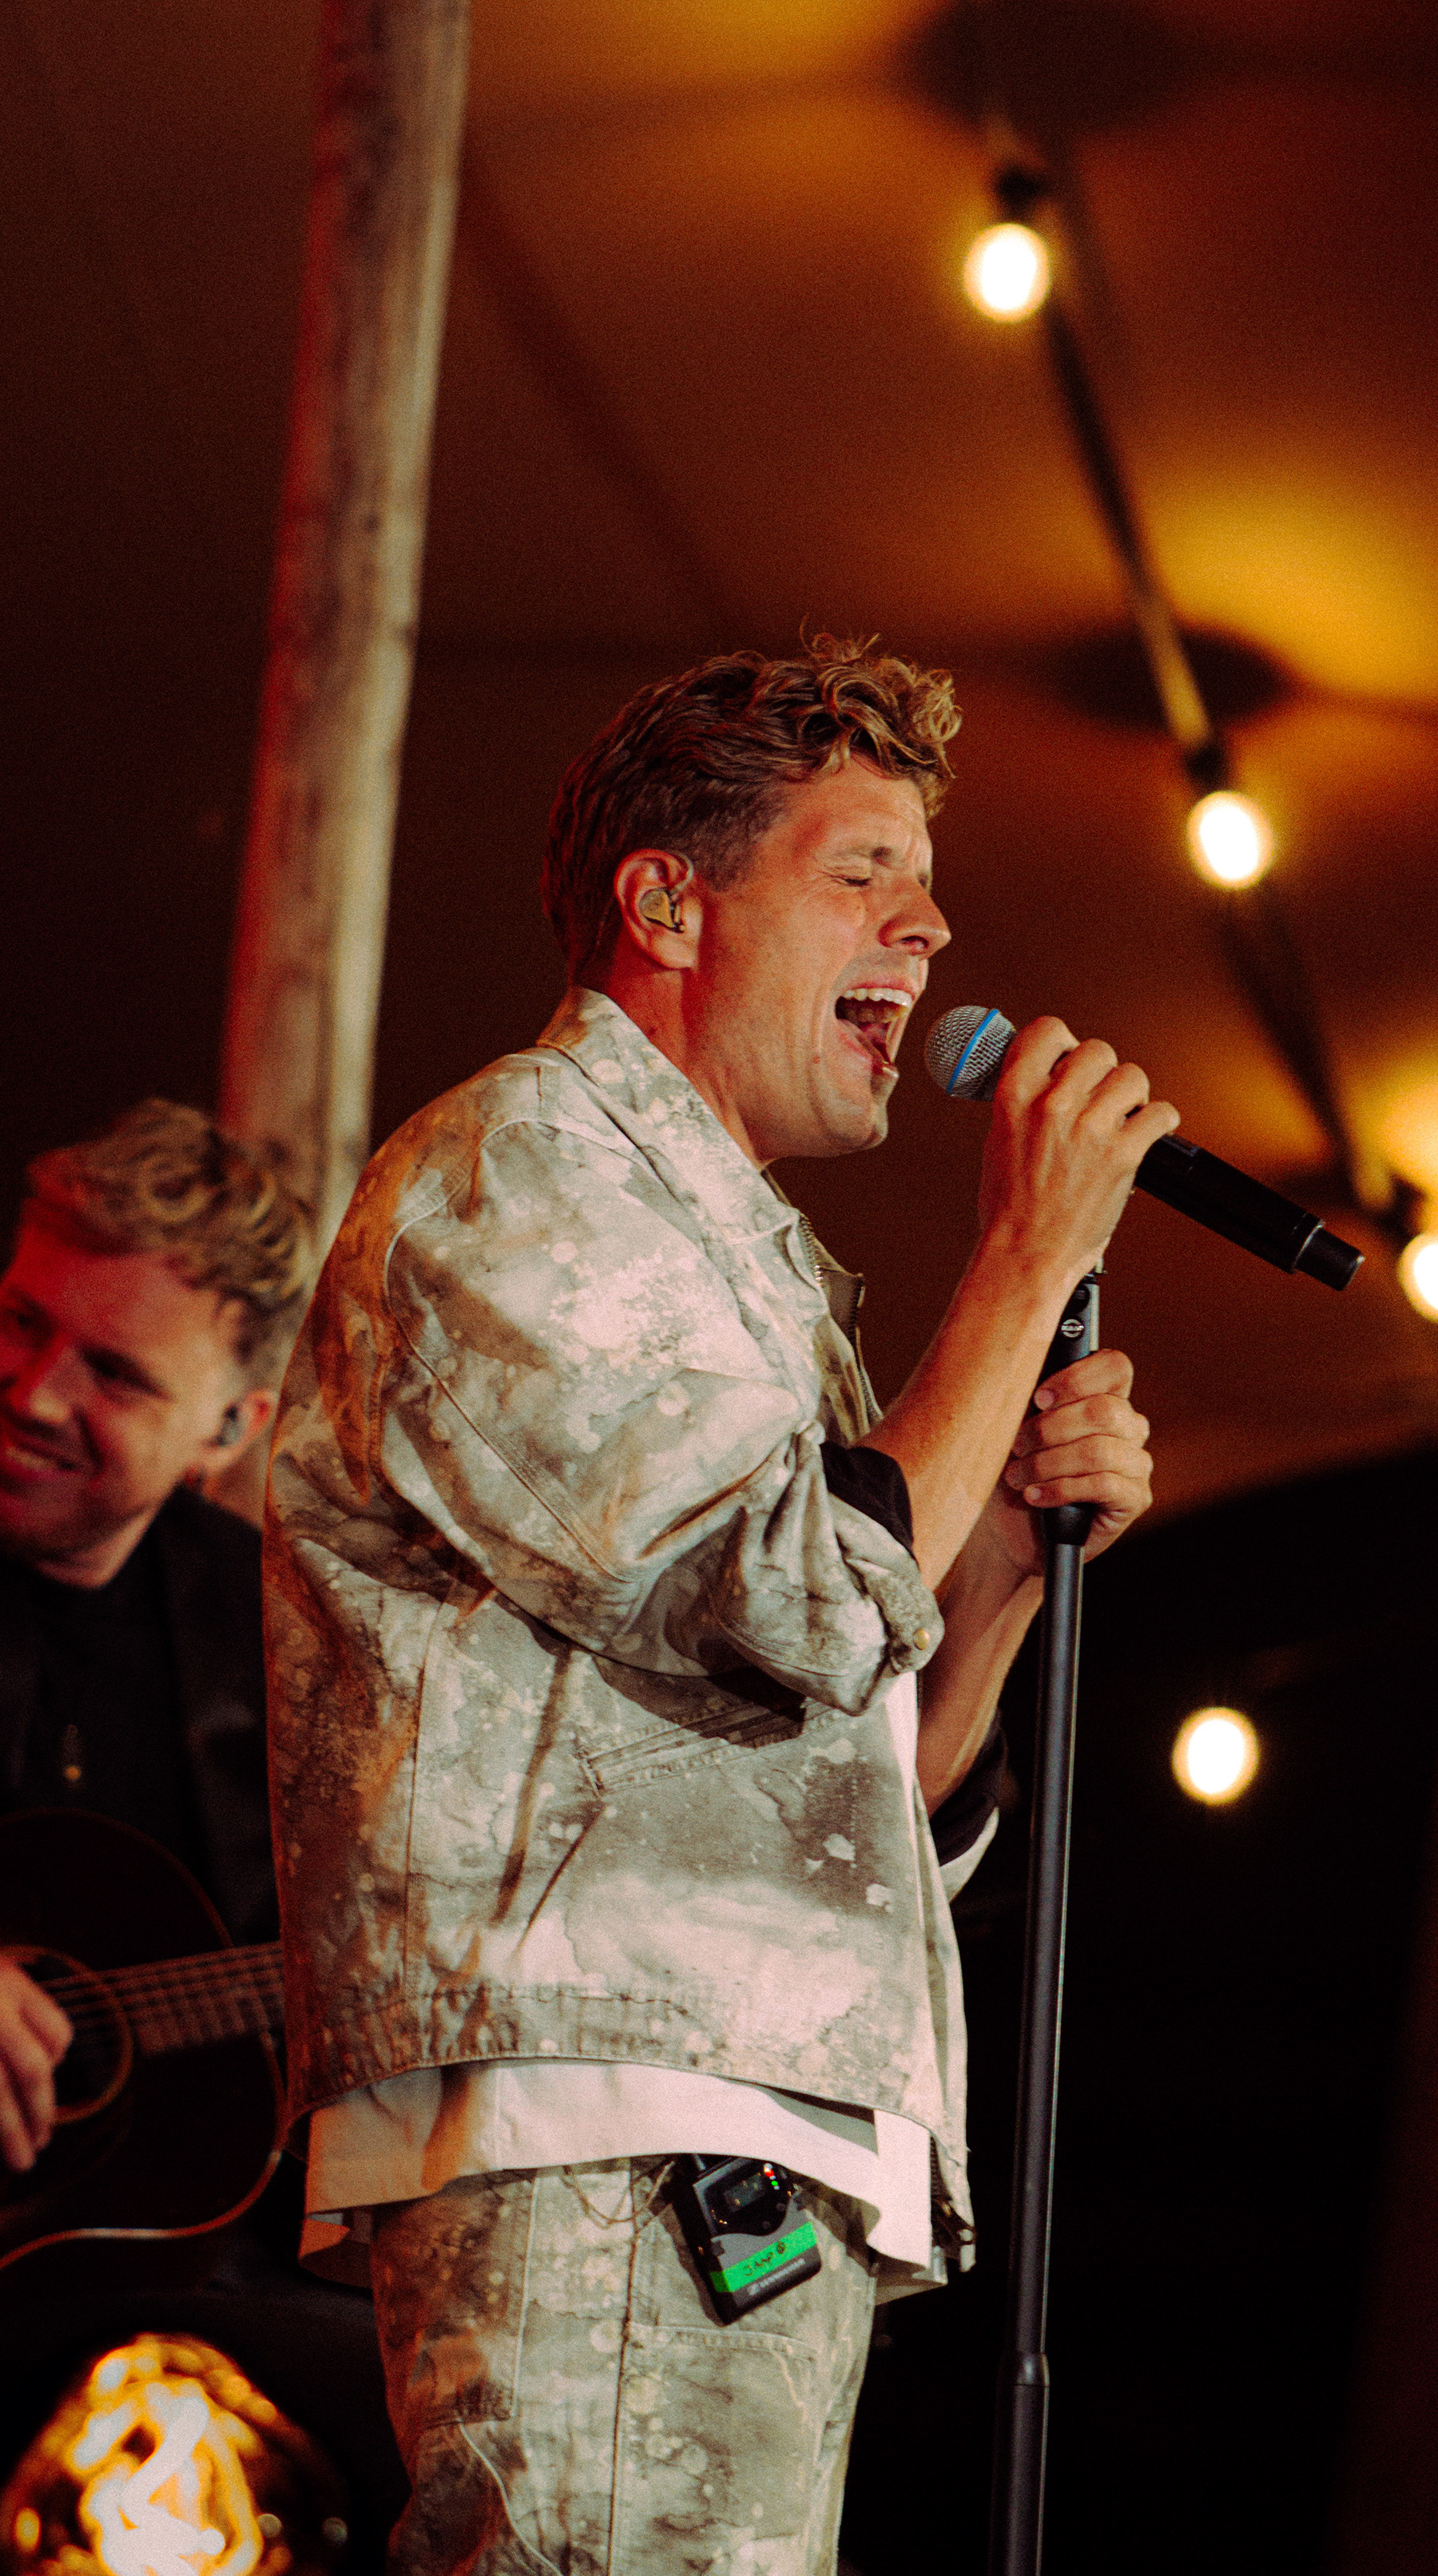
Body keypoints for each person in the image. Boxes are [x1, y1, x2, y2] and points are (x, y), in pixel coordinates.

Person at [264, 638, 1178, 2575]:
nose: (930, 926)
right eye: (862, 871)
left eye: (924, 881)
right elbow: (795, 1598)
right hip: (607, 2124)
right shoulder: (520, 1166)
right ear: (667, 901)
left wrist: (1005, 1548)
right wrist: (1023, 1263)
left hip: (744, 2123)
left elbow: (874, 1763)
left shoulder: (756, 1274)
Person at [0, 1098, 310, 2170]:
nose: (36, 1395)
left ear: (229, 1428)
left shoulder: (281, 1638)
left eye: (116, 1373)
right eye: (22, 1320)